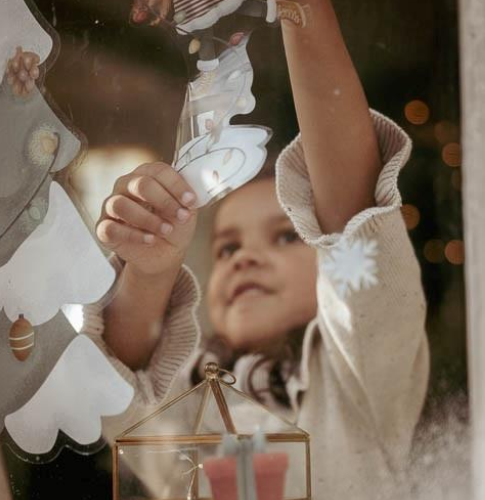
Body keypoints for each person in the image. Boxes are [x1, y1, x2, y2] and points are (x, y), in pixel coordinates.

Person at [84, 0, 429, 498]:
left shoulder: (362, 390)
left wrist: (301, 9)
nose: (244, 258)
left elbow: (352, 221)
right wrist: (150, 270)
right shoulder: (187, 416)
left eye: (287, 235)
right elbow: (118, 392)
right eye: (226, 249)